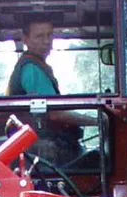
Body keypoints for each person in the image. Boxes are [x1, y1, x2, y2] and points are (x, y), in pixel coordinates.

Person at [6, 16, 92, 166]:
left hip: (36, 145)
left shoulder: (31, 65)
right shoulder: (32, 69)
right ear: (25, 39)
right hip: (43, 148)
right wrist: (97, 120)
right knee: (95, 159)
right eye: (39, 36)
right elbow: (55, 113)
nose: (46, 41)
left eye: (49, 35)